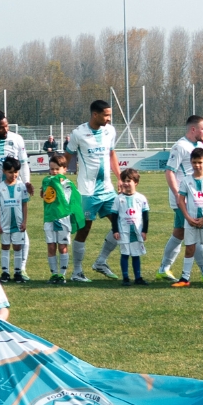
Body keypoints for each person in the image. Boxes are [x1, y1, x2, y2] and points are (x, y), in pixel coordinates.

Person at [66, 100, 121, 281]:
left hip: (107, 189)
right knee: (84, 229)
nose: (109, 118)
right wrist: (59, 180)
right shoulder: (78, 133)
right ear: (95, 114)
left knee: (121, 224)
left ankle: (100, 262)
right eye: (106, 115)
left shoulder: (110, 131)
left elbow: (111, 154)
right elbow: (67, 157)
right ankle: (77, 272)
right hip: (87, 191)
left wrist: (120, 177)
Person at [159, 115, 203, 280]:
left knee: (180, 233)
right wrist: (179, 197)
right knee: (194, 233)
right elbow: (169, 171)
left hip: (195, 199)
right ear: (193, 129)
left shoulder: (199, 145)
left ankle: (163, 269)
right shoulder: (180, 146)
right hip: (183, 200)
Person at [174, 146, 203, 288]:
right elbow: (181, 200)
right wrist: (187, 218)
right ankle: (185, 278)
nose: (197, 165)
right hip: (190, 220)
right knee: (189, 248)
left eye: (200, 162)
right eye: (194, 162)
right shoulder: (186, 180)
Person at [39, 153, 85, 284]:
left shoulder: (67, 183)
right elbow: (44, 195)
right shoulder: (46, 180)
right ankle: (54, 274)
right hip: (49, 218)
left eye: (57, 169)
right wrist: (43, 191)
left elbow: (72, 199)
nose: (54, 172)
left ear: (64, 169)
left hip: (63, 219)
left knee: (62, 247)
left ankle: (62, 274)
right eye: (52, 169)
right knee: (51, 247)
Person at [0, 156, 30, 282]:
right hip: (4, 224)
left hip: (18, 223)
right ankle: (5, 272)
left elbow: (24, 204)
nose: (13, 174)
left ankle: (18, 272)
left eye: (15, 172)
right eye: (10, 172)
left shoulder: (21, 186)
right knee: (5, 246)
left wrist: (24, 221)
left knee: (18, 247)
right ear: (4, 171)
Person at [115, 168, 149, 285]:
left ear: (136, 182)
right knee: (125, 254)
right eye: (124, 181)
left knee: (136, 254)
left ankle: (138, 277)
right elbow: (114, 216)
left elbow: (145, 216)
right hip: (123, 231)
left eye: (129, 181)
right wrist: (115, 230)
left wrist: (144, 231)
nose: (126, 183)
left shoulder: (141, 198)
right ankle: (125, 278)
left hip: (137, 231)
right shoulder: (118, 199)